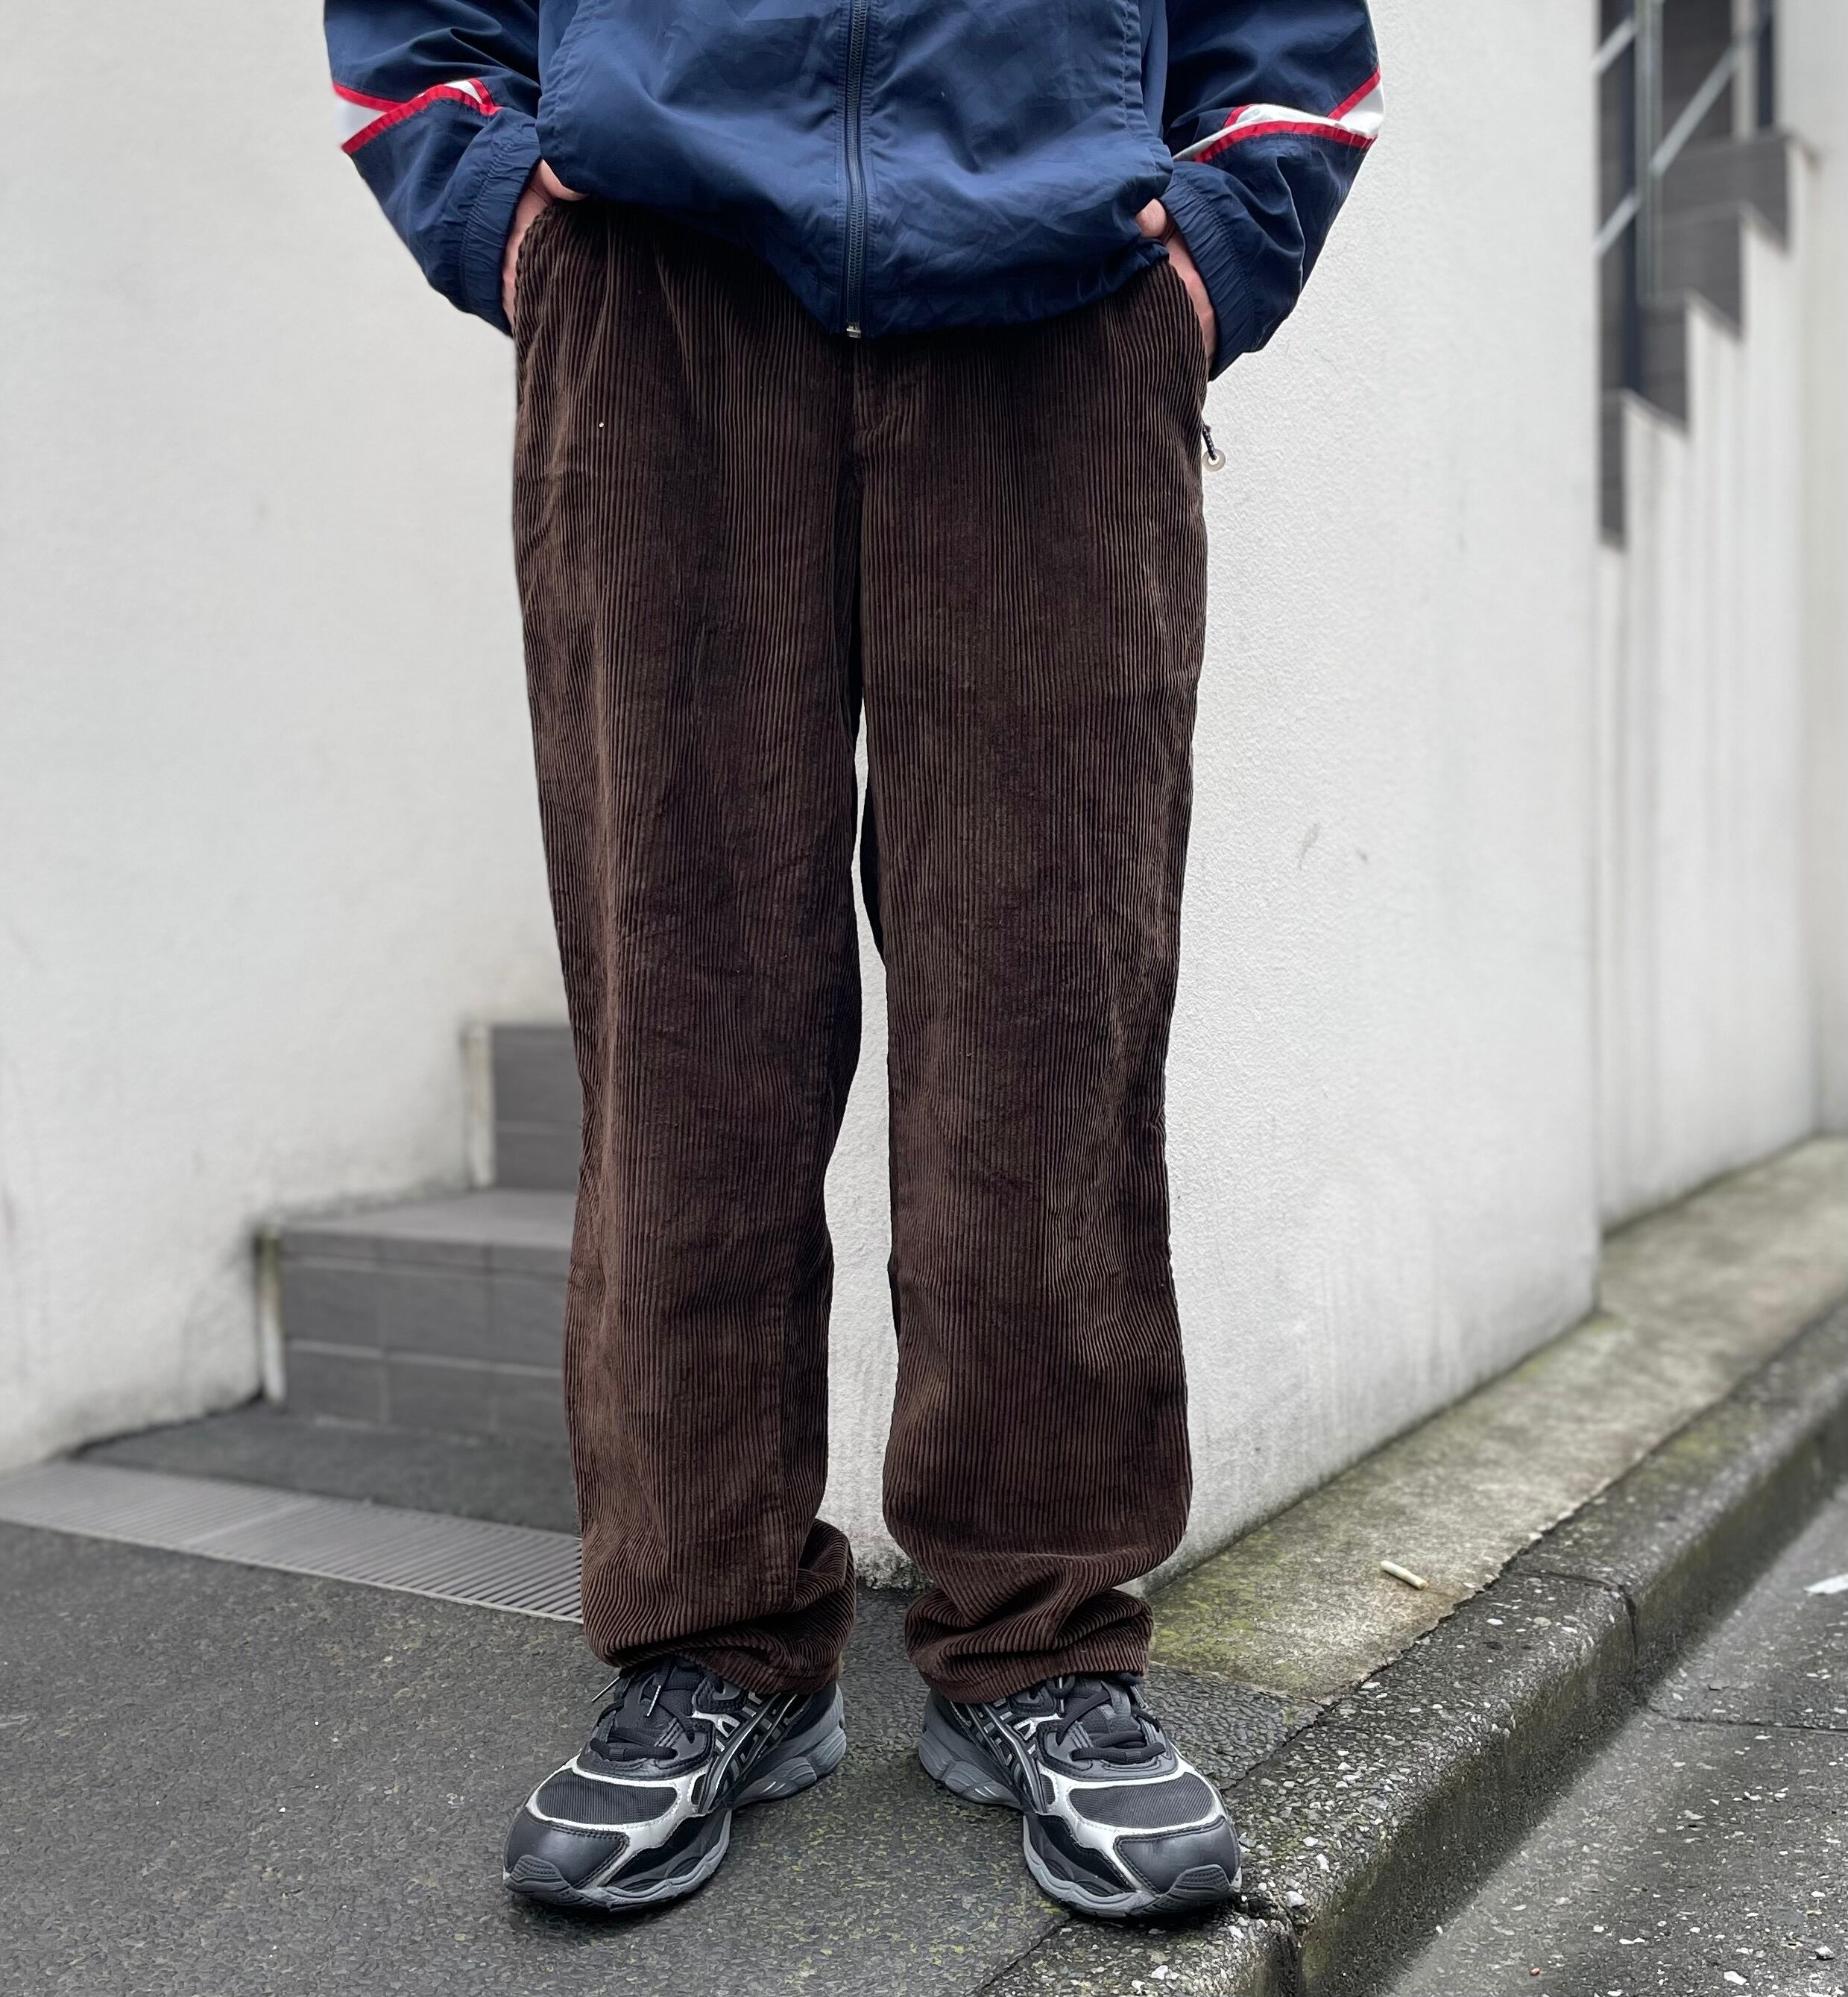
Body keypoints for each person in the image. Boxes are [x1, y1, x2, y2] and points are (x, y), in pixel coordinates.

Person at [324, 0, 1379, 1921]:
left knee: (1051, 1006)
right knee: (686, 1012)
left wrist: (1216, 249)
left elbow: (1292, 37)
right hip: (659, 298)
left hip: (1056, 312)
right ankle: (709, 1637)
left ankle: (1040, 1640)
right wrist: (503, 211)